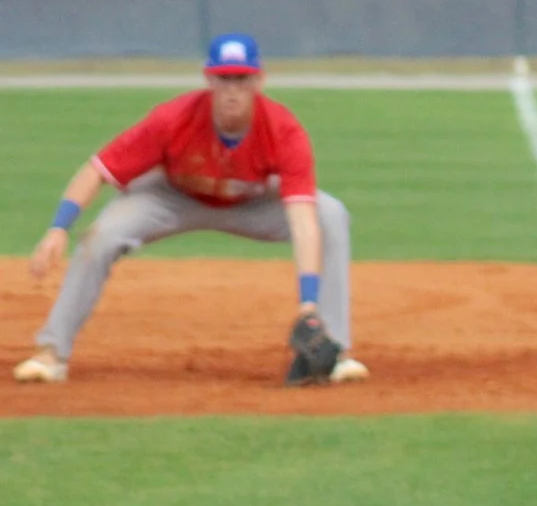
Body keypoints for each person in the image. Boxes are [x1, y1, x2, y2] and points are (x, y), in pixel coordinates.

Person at [16, 34, 362, 387]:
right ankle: (52, 353)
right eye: (224, 78)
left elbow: (304, 223)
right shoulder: (173, 118)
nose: (232, 89)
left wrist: (307, 306)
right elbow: (98, 169)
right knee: (102, 236)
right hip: (172, 196)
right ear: (208, 79)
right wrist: (59, 227)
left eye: (241, 78)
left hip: (251, 201)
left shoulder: (284, 130)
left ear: (259, 80)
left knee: (329, 215)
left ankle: (334, 352)